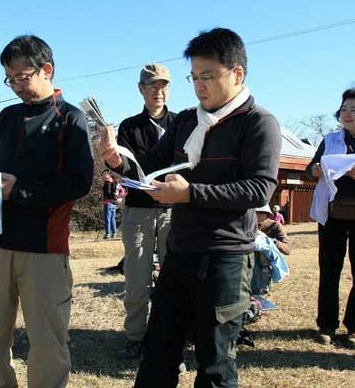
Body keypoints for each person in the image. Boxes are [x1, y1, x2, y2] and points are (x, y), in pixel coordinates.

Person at [100, 28, 280, 387]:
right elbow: (150, 166)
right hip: (180, 250)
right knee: (158, 352)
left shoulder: (258, 123)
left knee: (215, 362)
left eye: (208, 76)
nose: (199, 86)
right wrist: (117, 160)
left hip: (226, 255)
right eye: (194, 77)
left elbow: (259, 188)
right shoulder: (186, 121)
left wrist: (191, 194)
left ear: (237, 74)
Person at [0, 35, 94, 388]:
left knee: (47, 341)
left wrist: (20, 190)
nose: (17, 86)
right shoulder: (8, 117)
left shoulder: (70, 119)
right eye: (10, 79)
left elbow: (79, 182)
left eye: (23, 77)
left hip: (44, 248)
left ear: (47, 70)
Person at [307, 87, 355, 350]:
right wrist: (314, 169)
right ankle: (326, 325)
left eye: (353, 109)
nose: (346, 113)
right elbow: (310, 169)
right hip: (332, 213)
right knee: (329, 270)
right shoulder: (330, 140)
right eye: (344, 109)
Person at [115, 63, 176, 359]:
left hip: (173, 212)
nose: (158, 91)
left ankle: (170, 337)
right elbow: (126, 167)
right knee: (137, 280)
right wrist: (114, 161)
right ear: (141, 89)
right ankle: (135, 336)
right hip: (139, 211)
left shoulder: (181, 123)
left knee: (173, 279)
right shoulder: (128, 127)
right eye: (152, 86)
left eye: (163, 86)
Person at [252, 204, 291, 295]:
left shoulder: (274, 226)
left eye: (261, 213)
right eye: (255, 212)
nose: (258, 215)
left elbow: (287, 249)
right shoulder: (246, 226)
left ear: (267, 214)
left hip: (263, 271)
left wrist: (270, 242)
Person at [102, 170, 118, 239]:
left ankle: (107, 234)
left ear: (109, 175)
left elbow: (108, 192)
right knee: (112, 219)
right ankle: (114, 233)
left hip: (108, 203)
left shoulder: (107, 182)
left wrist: (105, 198)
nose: (103, 176)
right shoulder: (114, 182)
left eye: (104, 174)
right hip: (114, 203)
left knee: (107, 219)